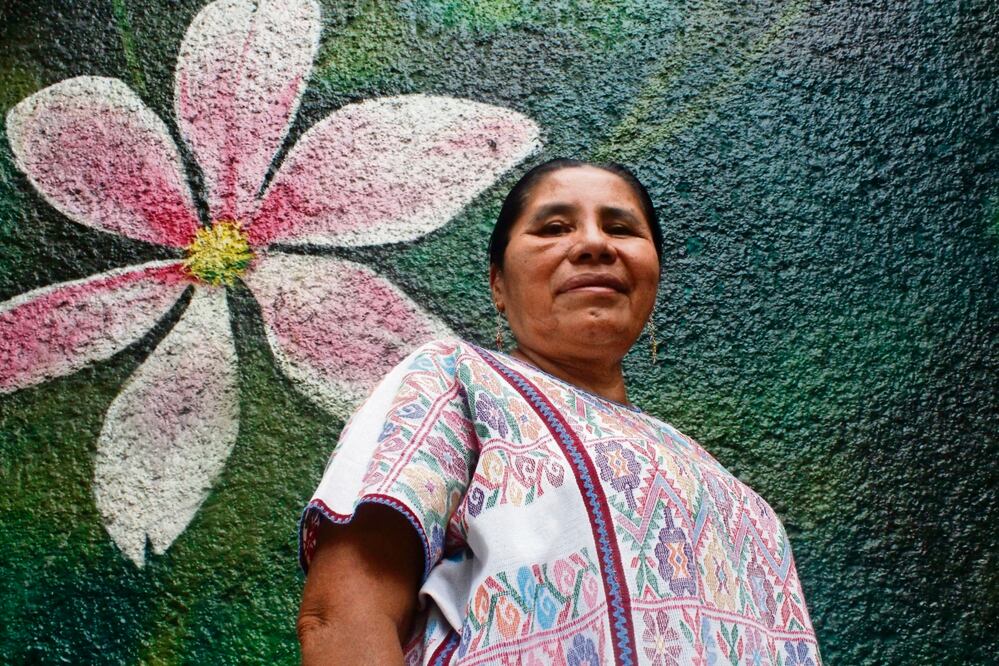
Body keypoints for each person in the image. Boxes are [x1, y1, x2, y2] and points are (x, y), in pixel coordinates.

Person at [296, 159, 821, 665]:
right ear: (499, 284)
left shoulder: (727, 487)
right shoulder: (454, 379)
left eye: (621, 228)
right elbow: (341, 618)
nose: (595, 244)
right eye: (553, 228)